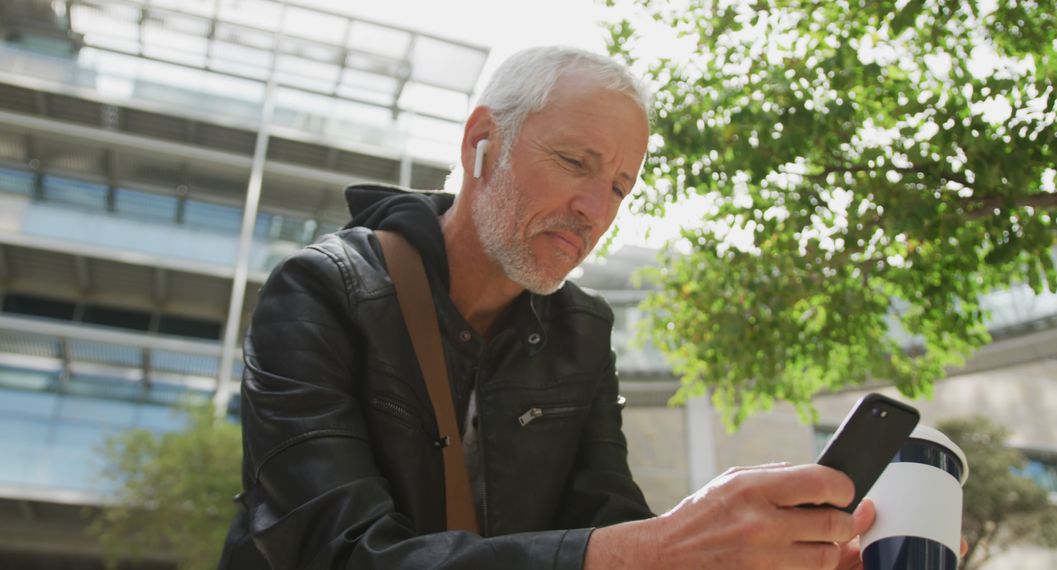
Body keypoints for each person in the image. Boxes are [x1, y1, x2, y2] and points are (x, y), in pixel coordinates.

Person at [217, 45, 875, 570]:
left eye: (619, 185)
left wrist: (745, 555)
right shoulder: (319, 292)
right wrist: (656, 550)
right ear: (483, 141)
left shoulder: (582, 331)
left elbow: (612, 529)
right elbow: (334, 552)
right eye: (572, 161)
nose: (596, 210)